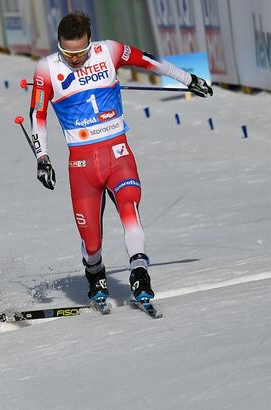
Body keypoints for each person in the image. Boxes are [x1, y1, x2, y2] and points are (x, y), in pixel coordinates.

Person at [28, 12, 213, 305]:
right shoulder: (46, 68)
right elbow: (37, 114)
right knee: (92, 243)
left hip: (118, 154)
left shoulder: (109, 50)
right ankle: (95, 271)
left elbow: (149, 61)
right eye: (67, 53)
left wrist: (188, 79)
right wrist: (42, 158)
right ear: (59, 46)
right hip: (82, 165)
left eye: (80, 52)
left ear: (90, 42)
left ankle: (139, 271)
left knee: (130, 207)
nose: (75, 59)